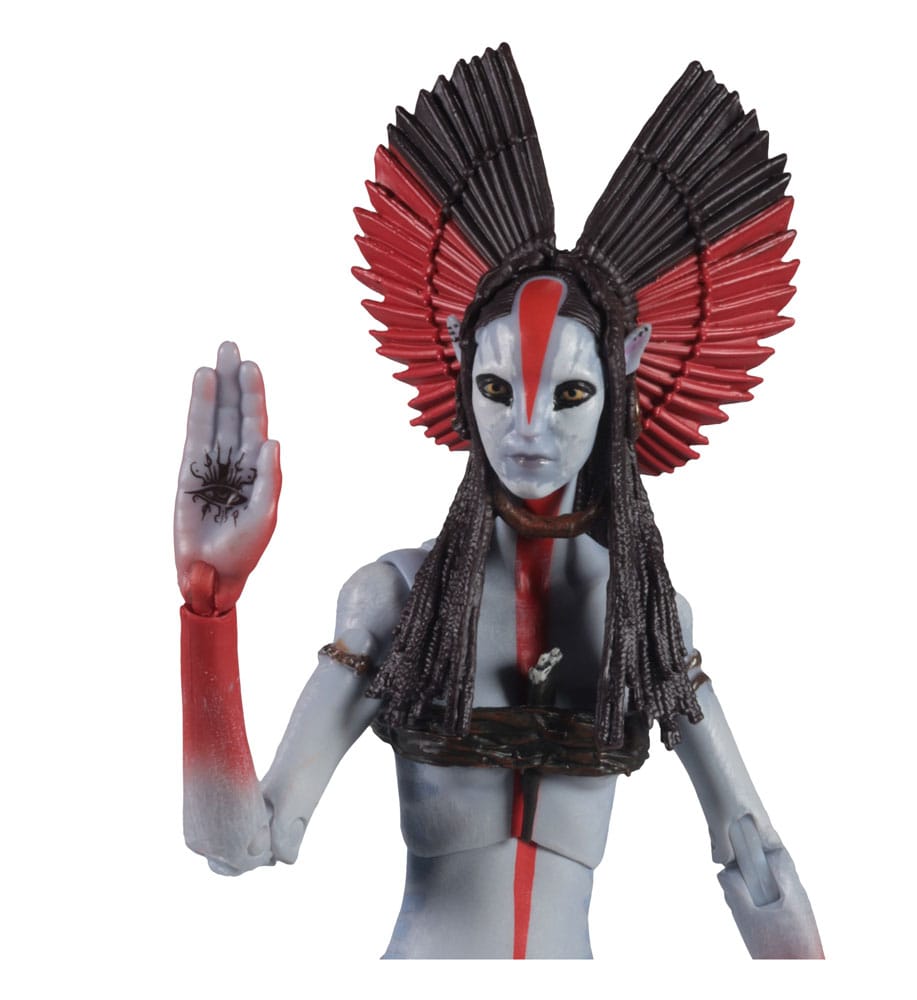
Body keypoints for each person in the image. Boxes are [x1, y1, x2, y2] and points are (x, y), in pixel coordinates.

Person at [175, 45, 823, 959]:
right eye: (496, 389)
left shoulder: (646, 620)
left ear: (625, 371)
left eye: (569, 395)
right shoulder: (394, 604)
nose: (527, 431)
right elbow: (243, 842)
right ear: (459, 364)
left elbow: (758, 866)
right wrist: (210, 608)